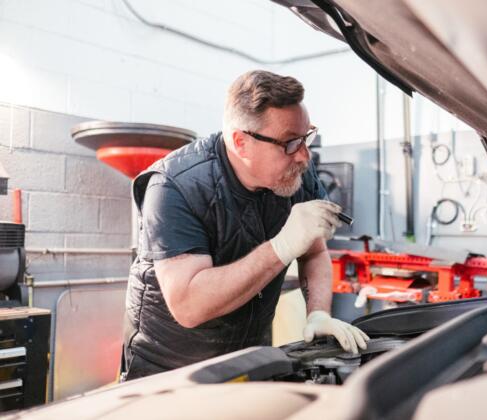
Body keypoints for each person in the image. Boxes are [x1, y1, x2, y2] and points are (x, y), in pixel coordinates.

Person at [122, 70, 369, 380]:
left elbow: (314, 253)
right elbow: (188, 306)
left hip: (248, 358)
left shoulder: (295, 176)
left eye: (307, 137)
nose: (304, 156)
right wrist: (281, 248)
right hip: (170, 370)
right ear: (241, 142)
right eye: (291, 143)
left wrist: (318, 312)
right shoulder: (175, 187)